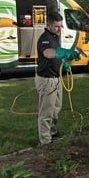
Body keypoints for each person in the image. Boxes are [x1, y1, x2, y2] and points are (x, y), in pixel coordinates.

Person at [35, 12, 80, 146]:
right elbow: (48, 53)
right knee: (46, 111)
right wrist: (65, 52)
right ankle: (45, 140)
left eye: (61, 26)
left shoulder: (55, 36)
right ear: (48, 25)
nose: (60, 29)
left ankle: (52, 132)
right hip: (47, 80)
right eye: (56, 26)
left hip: (56, 77)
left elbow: (56, 53)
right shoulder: (45, 38)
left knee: (56, 108)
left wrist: (63, 62)